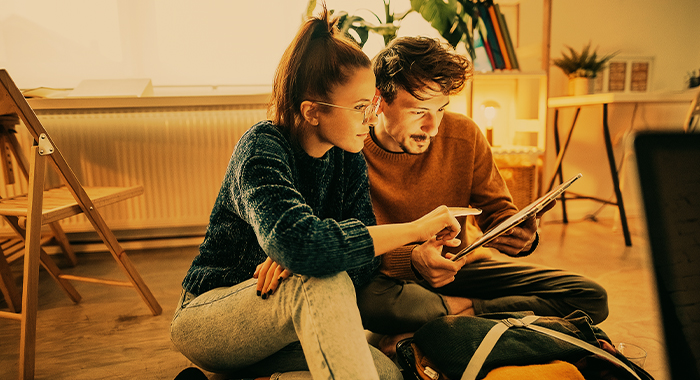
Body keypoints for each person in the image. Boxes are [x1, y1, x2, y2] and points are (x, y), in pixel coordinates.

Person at [169, 10, 463, 380]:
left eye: (370, 106)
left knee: (388, 375)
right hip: (212, 316)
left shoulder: (347, 158)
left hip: (286, 326)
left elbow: (363, 266)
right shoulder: (261, 148)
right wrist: (414, 230)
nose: (370, 120)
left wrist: (310, 254)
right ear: (312, 112)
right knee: (320, 278)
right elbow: (303, 246)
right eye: (359, 108)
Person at [356, 36, 609, 352]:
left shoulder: (464, 135)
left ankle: (458, 315)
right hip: (390, 278)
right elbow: (352, 243)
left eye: (441, 109)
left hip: (460, 268)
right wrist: (413, 259)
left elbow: (497, 210)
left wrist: (520, 234)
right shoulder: (352, 148)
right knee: (366, 301)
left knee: (590, 296)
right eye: (419, 110)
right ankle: (486, 321)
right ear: (378, 101)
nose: (433, 127)